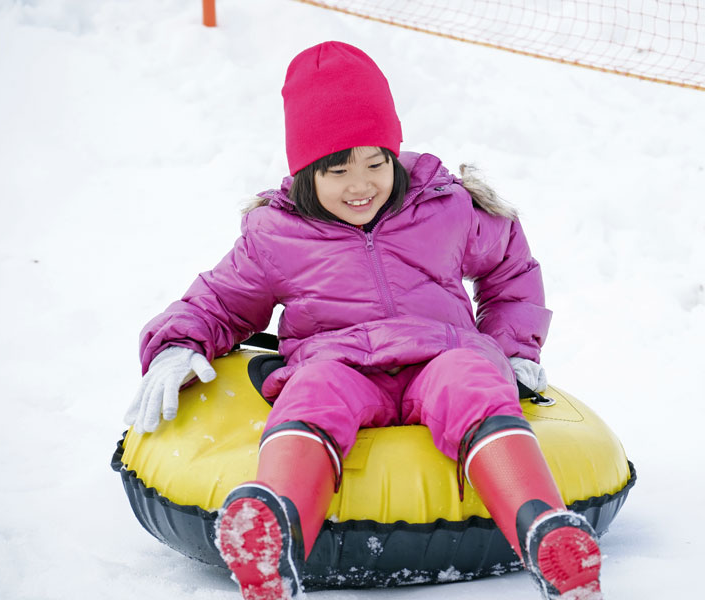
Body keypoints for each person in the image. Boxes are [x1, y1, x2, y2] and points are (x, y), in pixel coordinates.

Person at [125, 41, 603, 600]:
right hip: (339, 362)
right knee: (313, 392)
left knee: (474, 381)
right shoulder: (277, 236)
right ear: (307, 172)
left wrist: (513, 348)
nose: (361, 185)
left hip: (440, 354)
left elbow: (510, 266)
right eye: (338, 170)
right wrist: (178, 344)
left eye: (376, 163)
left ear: (393, 154)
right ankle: (273, 535)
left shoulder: (442, 206)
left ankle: (544, 530)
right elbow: (221, 301)